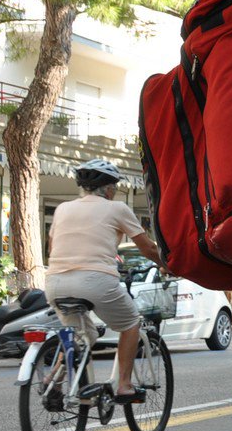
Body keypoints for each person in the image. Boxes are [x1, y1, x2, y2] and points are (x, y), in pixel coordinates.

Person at [44, 160, 163, 400]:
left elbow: (51, 247)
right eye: (115, 187)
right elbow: (148, 248)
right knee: (130, 324)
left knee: (82, 334)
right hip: (96, 281)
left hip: (55, 282)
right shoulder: (117, 209)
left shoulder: (62, 209)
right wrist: (168, 264)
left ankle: (54, 380)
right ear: (108, 189)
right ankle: (124, 385)